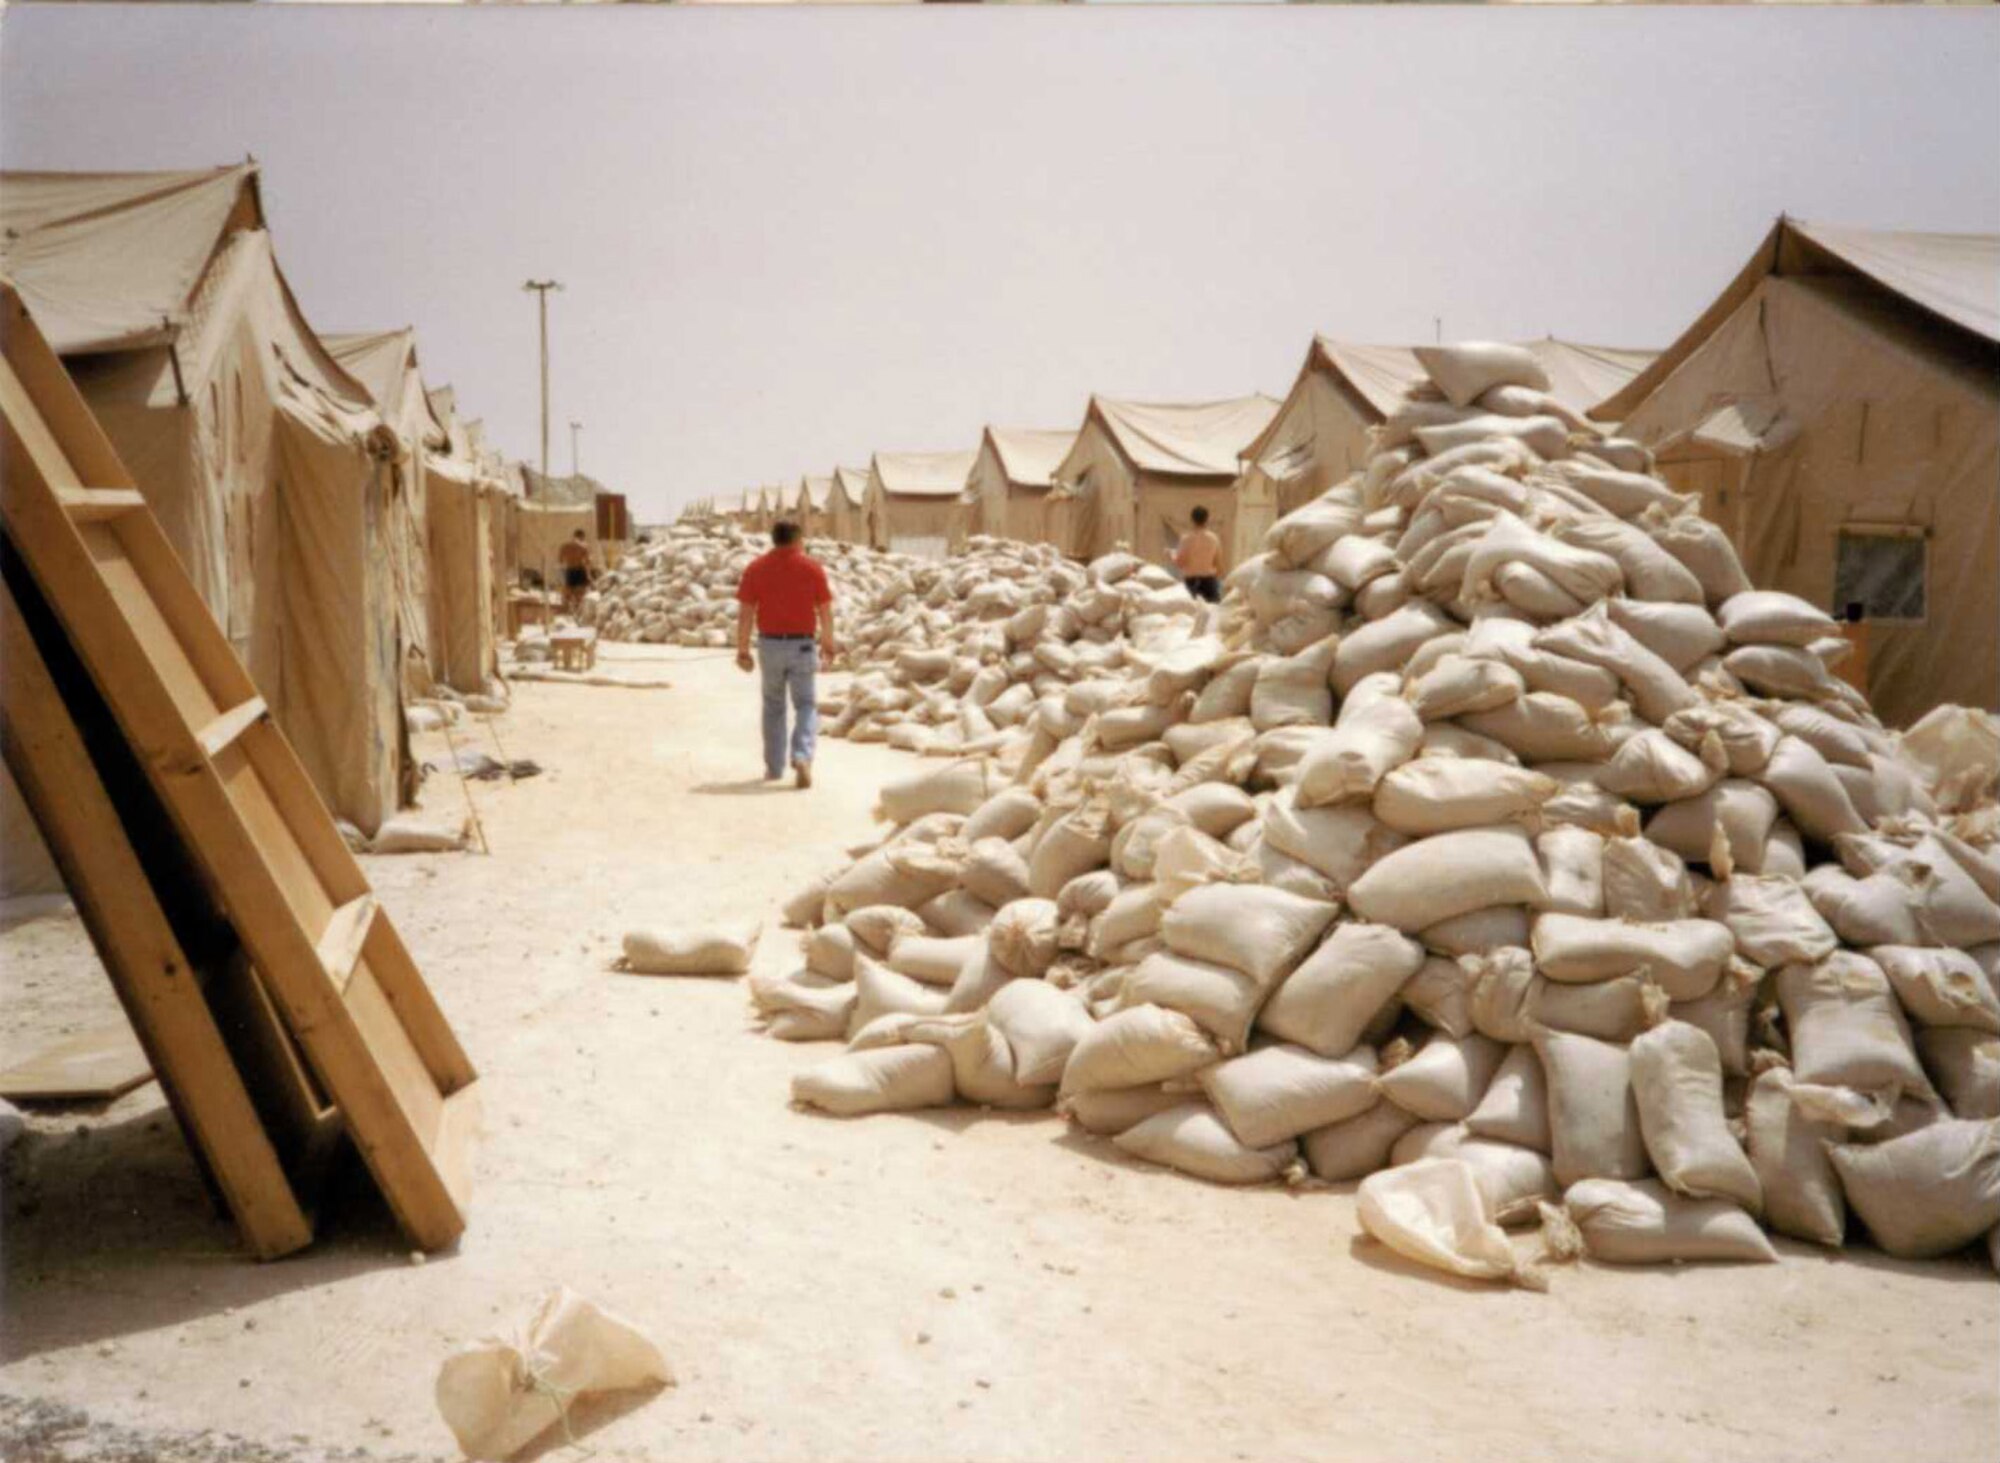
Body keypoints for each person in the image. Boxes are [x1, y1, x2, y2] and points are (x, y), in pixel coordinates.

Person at [735, 520, 837, 788]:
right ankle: (802, 755)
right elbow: (825, 611)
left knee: (773, 706)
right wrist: (828, 643)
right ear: (797, 540)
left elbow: (746, 614)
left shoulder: (756, 569)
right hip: (802, 646)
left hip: (769, 646)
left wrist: (742, 650)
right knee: (805, 704)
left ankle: (774, 767)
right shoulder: (812, 568)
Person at [1174, 505, 1223, 603]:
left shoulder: (1186, 539)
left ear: (1192, 519)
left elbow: (1180, 563)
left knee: (1190, 615)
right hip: (1209, 582)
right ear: (1207, 520)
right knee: (1212, 615)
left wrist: (1171, 555)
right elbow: (1219, 566)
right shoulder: (1213, 539)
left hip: (1191, 583)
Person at [557, 529, 593, 616]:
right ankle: (578, 613)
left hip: (569, 570)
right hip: (580, 570)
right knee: (580, 594)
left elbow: (560, 560)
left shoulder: (565, 546)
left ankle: (566, 612)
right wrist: (589, 576)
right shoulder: (584, 546)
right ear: (582, 537)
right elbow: (588, 562)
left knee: (568, 593)